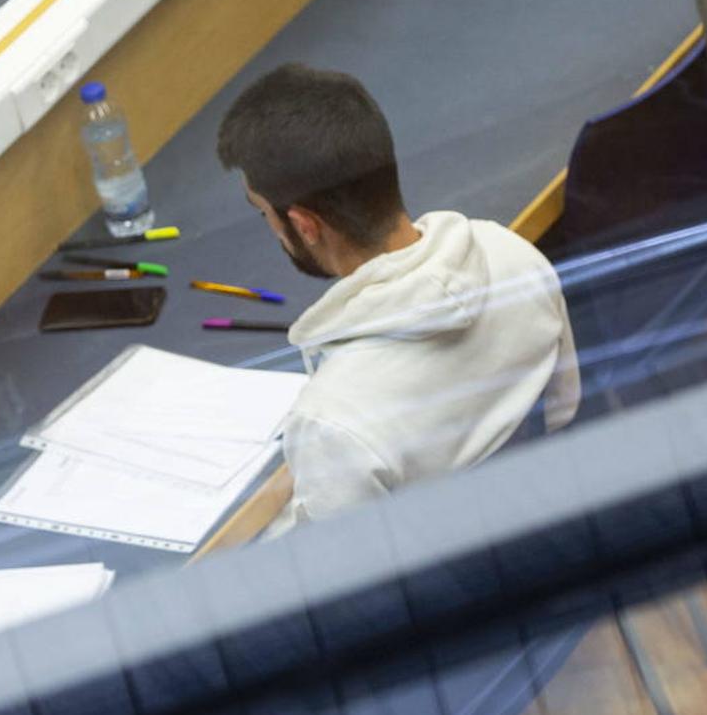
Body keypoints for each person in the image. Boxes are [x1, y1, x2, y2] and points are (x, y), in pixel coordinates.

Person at [216, 64, 580, 533]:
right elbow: (562, 410)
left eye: (264, 212)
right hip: (540, 532)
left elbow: (351, 580)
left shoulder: (332, 421)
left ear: (304, 224)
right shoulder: (512, 256)